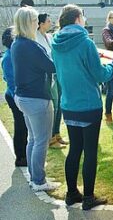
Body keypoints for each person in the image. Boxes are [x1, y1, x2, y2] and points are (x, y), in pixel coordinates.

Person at [52, 4, 113, 210]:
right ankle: (89, 197)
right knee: (90, 151)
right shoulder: (85, 42)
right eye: (83, 16)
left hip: (68, 104)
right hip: (89, 105)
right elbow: (100, 75)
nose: (84, 19)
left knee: (75, 149)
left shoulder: (55, 42)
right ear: (76, 19)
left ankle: (71, 193)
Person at [11, 6, 60, 191]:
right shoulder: (30, 46)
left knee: (33, 139)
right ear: (29, 23)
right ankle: (39, 181)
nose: (36, 23)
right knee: (41, 140)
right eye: (34, 20)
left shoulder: (18, 43)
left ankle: (34, 177)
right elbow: (51, 66)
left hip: (23, 97)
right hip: (37, 98)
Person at [36, 13, 68, 148]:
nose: (51, 23)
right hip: (48, 77)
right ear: (41, 24)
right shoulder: (36, 39)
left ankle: (56, 133)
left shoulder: (49, 37)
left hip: (57, 73)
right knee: (54, 104)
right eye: (48, 21)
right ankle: (50, 138)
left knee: (60, 103)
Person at [1, 27, 28, 167]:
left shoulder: (15, 54)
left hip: (18, 95)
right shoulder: (9, 57)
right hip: (14, 96)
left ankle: (25, 155)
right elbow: (11, 82)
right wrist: (20, 99)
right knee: (21, 126)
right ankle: (21, 157)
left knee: (25, 126)